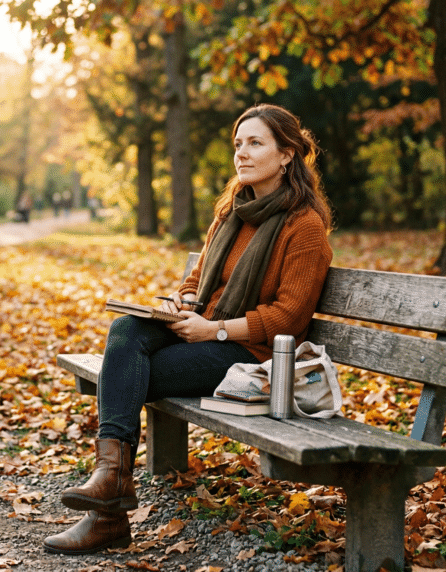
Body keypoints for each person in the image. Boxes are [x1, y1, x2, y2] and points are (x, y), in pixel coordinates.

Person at [42, 103, 334, 555]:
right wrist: (182, 301)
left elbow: (289, 317)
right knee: (126, 330)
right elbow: (198, 279)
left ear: (287, 155)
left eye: (256, 143)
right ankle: (110, 481)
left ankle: (109, 506)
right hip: (201, 327)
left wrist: (214, 331)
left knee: (129, 374)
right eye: (238, 144)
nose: (242, 153)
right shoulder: (232, 212)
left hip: (248, 354)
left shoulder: (305, 227)